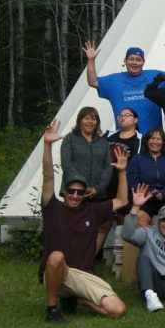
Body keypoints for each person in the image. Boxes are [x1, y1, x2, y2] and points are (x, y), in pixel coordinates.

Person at [40, 121, 128, 324]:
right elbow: (47, 177)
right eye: (70, 191)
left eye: (80, 192)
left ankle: (78, 300)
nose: (74, 195)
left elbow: (122, 200)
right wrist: (47, 145)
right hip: (59, 273)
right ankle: (52, 309)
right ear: (64, 191)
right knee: (55, 257)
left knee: (118, 310)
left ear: (85, 193)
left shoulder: (93, 210)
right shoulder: (53, 208)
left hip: (82, 276)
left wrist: (122, 172)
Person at [83, 42, 165, 134]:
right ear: (125, 60)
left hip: (152, 140)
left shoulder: (155, 76)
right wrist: (91, 60)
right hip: (125, 139)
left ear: (143, 62)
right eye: (131, 59)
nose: (134, 63)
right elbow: (93, 82)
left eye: (138, 60)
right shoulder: (113, 80)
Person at [60, 106, 113, 254]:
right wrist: (81, 187)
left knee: (103, 223)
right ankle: (69, 256)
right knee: (72, 224)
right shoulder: (70, 139)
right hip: (74, 192)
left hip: (97, 193)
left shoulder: (103, 143)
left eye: (94, 119)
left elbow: (108, 168)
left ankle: (89, 257)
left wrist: (98, 188)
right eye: (87, 118)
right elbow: (67, 163)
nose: (90, 122)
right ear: (80, 120)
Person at [126, 127, 165, 227]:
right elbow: (132, 183)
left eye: (158, 139)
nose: (155, 142)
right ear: (147, 140)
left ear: (163, 142)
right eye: (152, 138)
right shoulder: (137, 159)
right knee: (140, 218)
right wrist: (148, 192)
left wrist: (164, 193)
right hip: (144, 200)